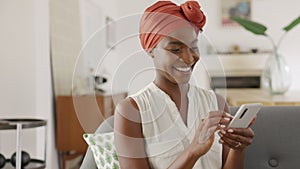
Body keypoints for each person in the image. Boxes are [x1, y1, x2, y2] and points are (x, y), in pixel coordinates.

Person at [114, 1, 255, 169]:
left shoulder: (216, 103)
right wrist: (193, 150)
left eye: (193, 47)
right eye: (175, 50)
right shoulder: (131, 111)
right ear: (150, 50)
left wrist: (238, 149)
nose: (189, 59)